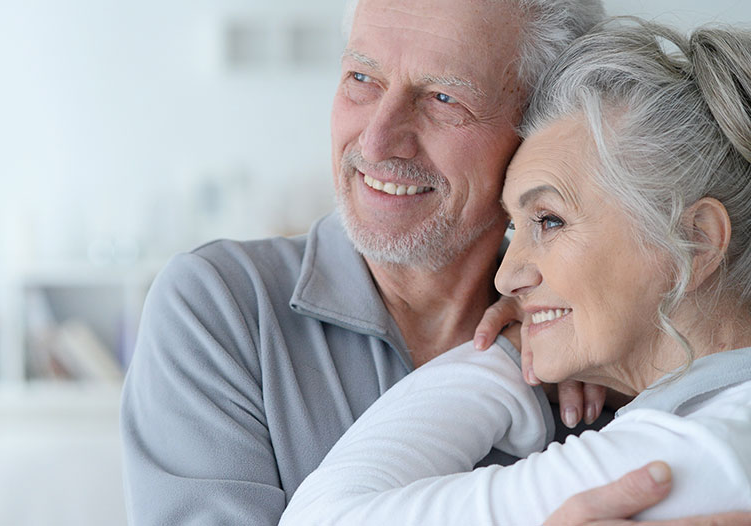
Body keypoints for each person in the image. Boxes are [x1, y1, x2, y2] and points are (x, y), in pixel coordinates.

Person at [120, 0, 748, 523]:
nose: (376, 140)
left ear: (540, 128)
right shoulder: (221, 307)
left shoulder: (605, 338)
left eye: (444, 97)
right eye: (362, 79)